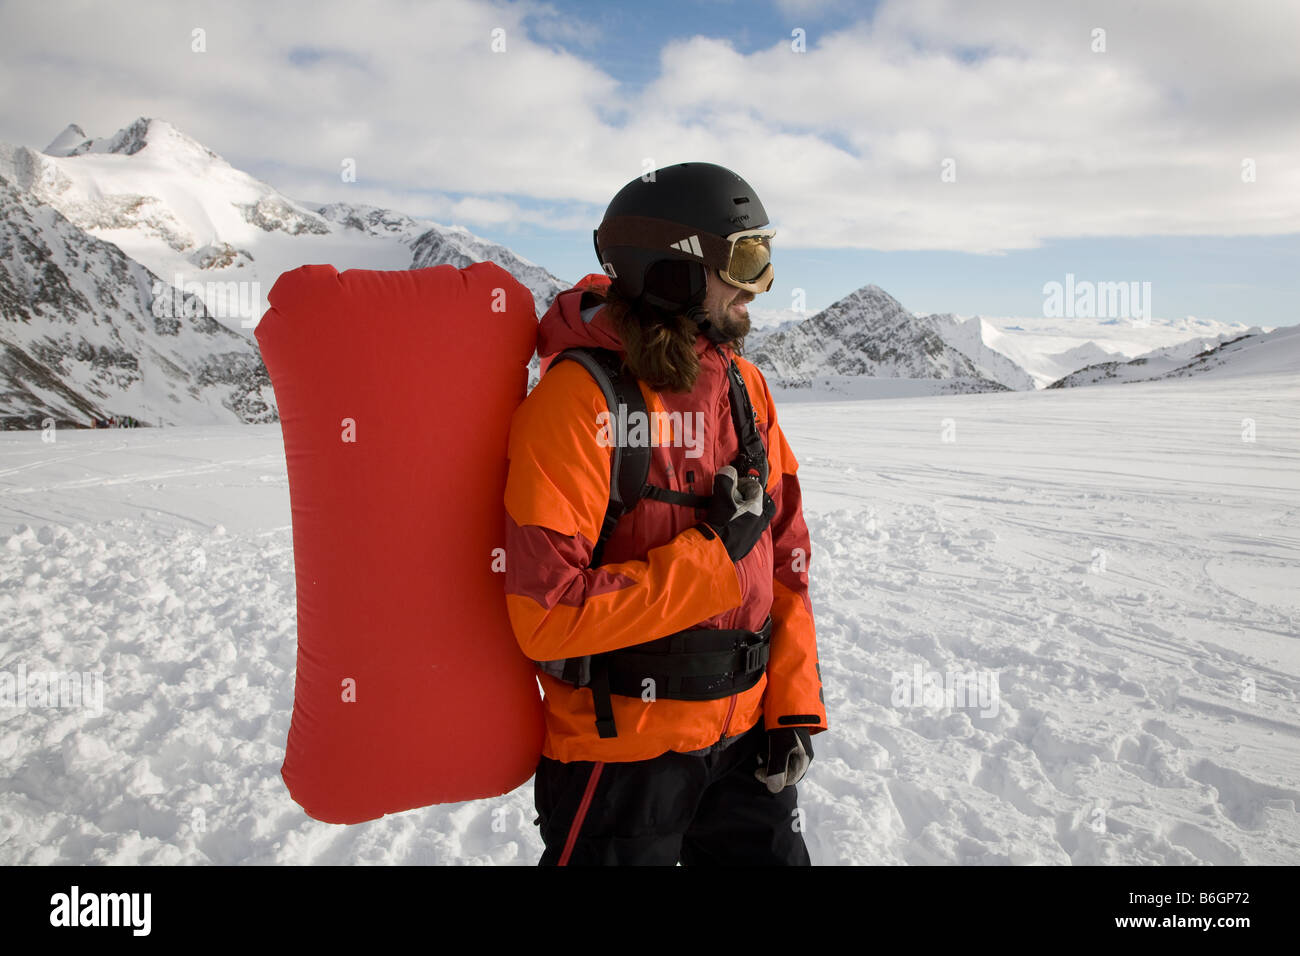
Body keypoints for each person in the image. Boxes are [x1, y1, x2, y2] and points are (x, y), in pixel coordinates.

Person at [503, 162, 826, 866]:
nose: (758, 286)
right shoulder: (579, 402)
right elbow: (547, 614)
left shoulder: (745, 387)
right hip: (620, 759)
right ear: (674, 270)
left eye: (765, 255)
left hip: (744, 745)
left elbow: (785, 557)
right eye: (744, 259)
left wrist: (790, 705)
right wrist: (714, 554)